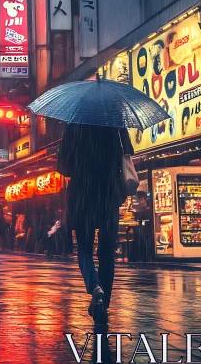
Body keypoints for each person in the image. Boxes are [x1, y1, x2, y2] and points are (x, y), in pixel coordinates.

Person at [58, 122, 133, 324]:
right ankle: (103, 301)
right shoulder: (114, 123)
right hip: (108, 195)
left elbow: (63, 166)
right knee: (106, 252)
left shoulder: (74, 125)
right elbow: (127, 153)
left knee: (84, 249)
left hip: (83, 196)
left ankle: (95, 287)